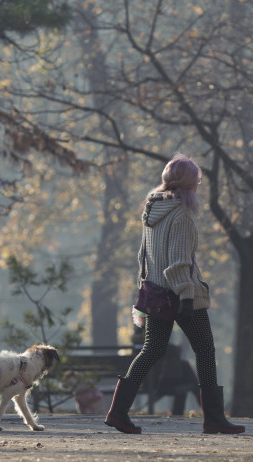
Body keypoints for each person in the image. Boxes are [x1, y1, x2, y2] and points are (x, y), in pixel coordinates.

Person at [104, 154, 244, 434]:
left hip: (156, 293)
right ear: (190, 184)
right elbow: (178, 260)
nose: (199, 186)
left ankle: (118, 412)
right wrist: (187, 297)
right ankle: (214, 418)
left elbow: (144, 256)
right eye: (198, 181)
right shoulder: (182, 213)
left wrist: (144, 287)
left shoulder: (152, 211)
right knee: (205, 351)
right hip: (181, 294)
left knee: (151, 350)